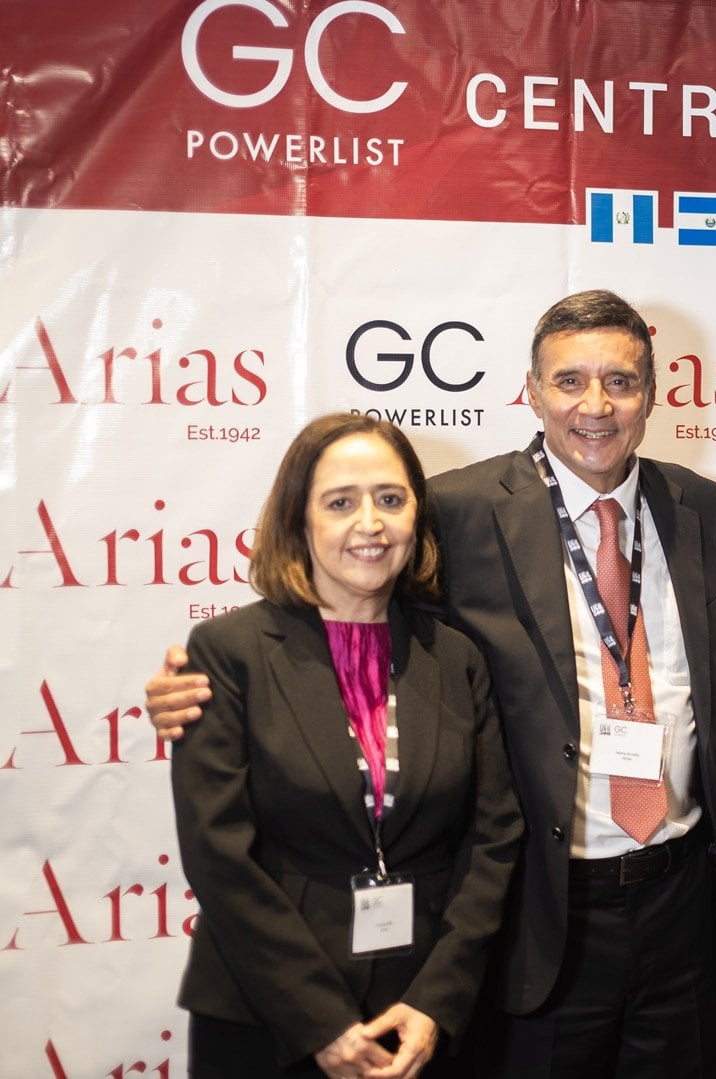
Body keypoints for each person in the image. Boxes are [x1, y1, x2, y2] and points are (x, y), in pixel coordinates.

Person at [147, 290, 716, 1079]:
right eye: (569, 381)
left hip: (682, 903)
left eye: (620, 381)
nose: (595, 405)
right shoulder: (460, 510)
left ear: (654, 391)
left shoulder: (698, 505)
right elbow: (352, 621)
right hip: (541, 915)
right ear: (530, 391)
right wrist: (208, 684)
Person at [168, 413, 523, 1079]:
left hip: (418, 1017)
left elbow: (494, 839)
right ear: (298, 521)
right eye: (339, 502)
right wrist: (319, 1020)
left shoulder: (457, 658)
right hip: (269, 1019)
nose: (370, 523)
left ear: (417, 515)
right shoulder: (227, 653)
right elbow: (218, 856)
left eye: (390, 498)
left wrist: (436, 1000)